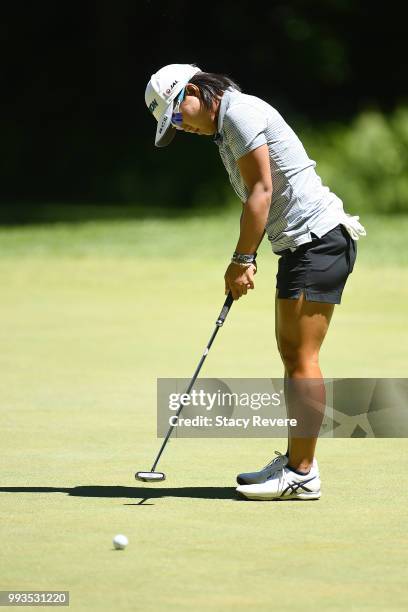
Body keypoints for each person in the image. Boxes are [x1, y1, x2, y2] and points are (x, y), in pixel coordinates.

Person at [145, 63, 366, 501]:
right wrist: (248, 256)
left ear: (193, 90)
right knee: (291, 354)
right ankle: (297, 461)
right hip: (301, 245)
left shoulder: (240, 114)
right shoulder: (227, 124)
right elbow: (260, 196)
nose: (180, 126)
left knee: (302, 357)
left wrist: (242, 258)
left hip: (318, 241)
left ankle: (302, 475)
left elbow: (261, 192)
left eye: (176, 114)